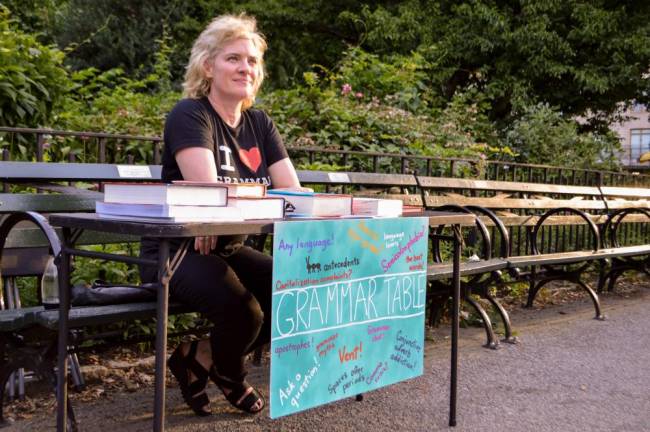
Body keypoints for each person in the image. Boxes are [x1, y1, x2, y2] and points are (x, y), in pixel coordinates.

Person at [139, 14, 305, 416]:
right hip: (176, 249)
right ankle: (231, 374)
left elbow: (292, 194)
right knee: (244, 312)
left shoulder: (260, 123)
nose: (245, 68)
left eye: (251, 61)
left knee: (293, 293)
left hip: (223, 245)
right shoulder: (190, 114)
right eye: (233, 58)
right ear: (208, 66)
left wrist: (236, 202)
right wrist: (237, 202)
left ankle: (200, 357)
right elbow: (210, 195)